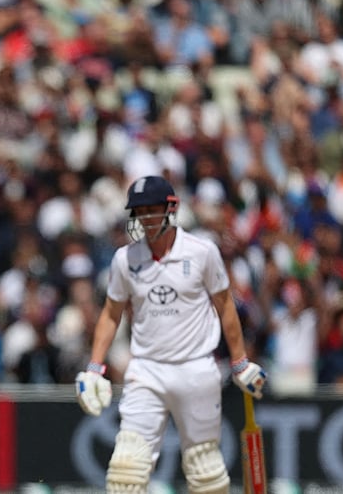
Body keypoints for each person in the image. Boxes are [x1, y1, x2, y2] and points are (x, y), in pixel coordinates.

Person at [74, 175, 267, 493]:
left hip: (196, 369)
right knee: (125, 474)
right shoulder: (125, 259)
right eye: (140, 211)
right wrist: (94, 367)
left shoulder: (202, 252)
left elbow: (225, 306)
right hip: (146, 370)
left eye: (152, 209)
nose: (146, 218)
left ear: (171, 208)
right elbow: (110, 313)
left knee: (206, 473)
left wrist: (240, 362)